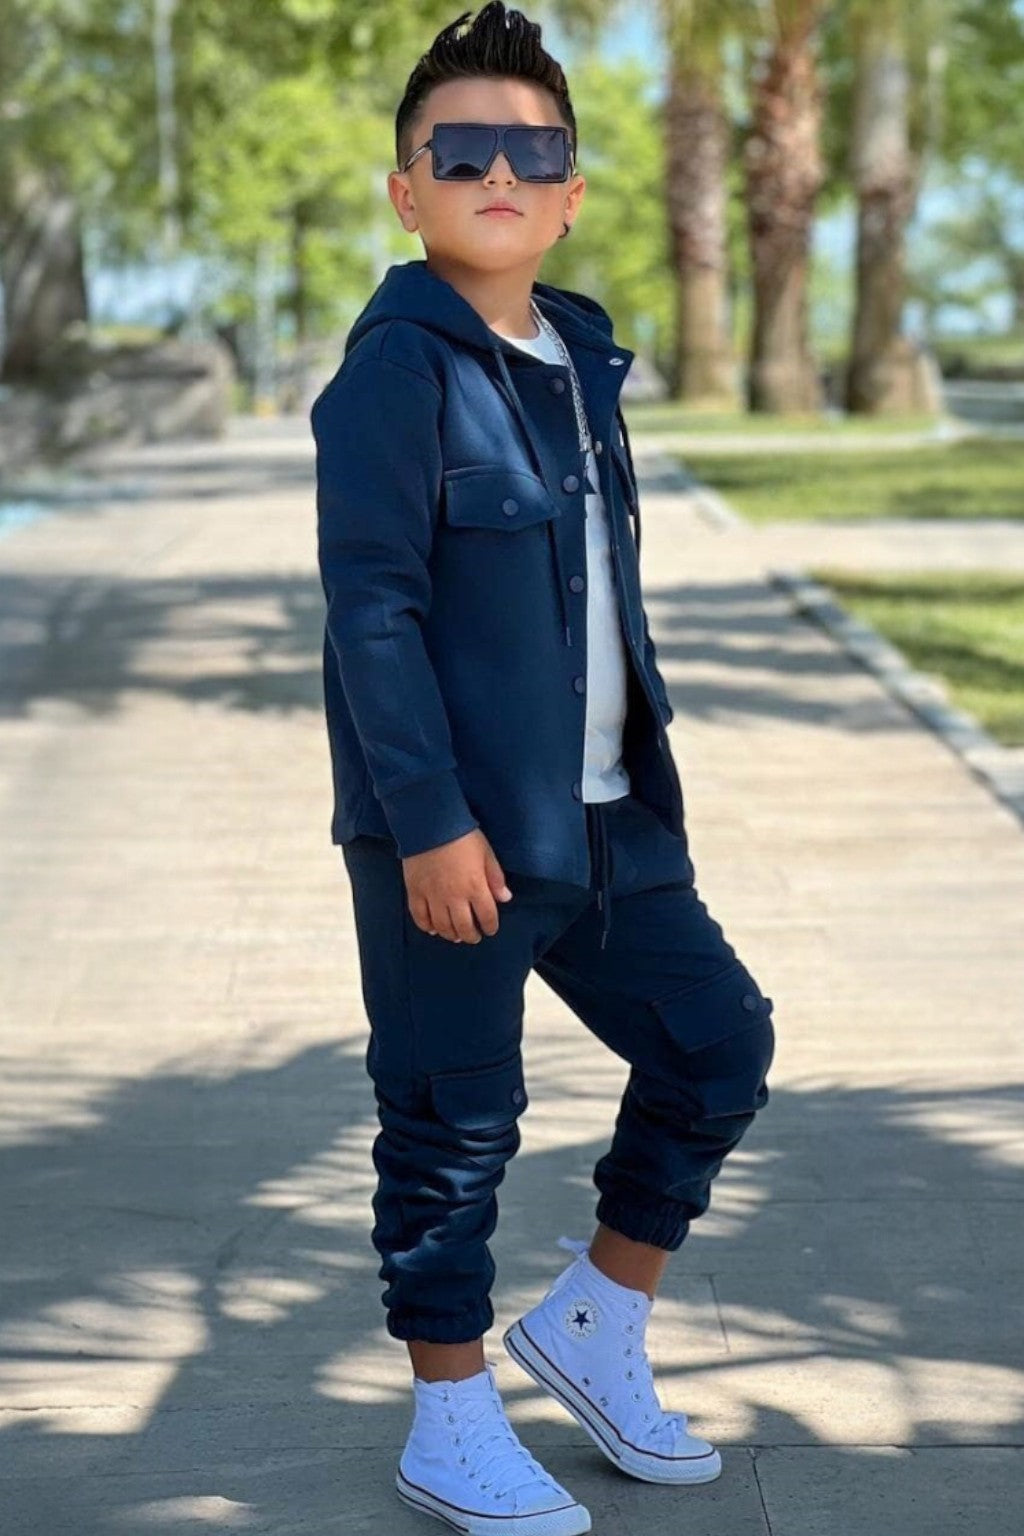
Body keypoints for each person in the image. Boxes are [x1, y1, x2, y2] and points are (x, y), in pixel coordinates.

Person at [310, 5, 776, 1532]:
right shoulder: (392, 375)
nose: (497, 173)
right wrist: (427, 823)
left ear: (572, 193)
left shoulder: (577, 355)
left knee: (717, 1044)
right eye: (460, 151)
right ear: (408, 192)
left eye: (532, 152)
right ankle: (449, 1417)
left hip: (607, 817)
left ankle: (595, 1320)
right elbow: (372, 614)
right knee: (452, 1122)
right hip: (458, 831)